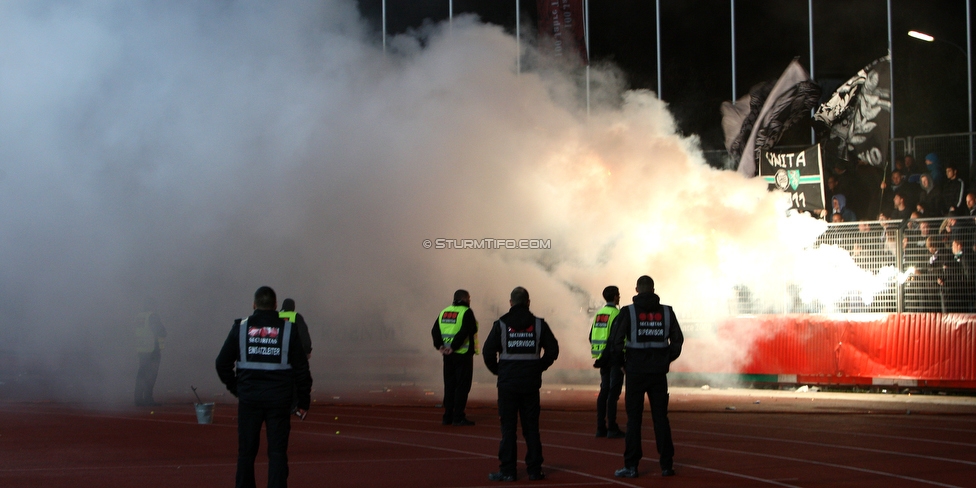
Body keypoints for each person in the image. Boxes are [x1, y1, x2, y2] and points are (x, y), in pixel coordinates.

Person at [216, 286, 312, 488]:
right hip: (279, 400)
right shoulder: (287, 330)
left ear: (254, 304)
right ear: (275, 306)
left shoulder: (241, 328)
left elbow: (222, 363)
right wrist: (303, 401)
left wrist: (237, 388)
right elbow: (302, 369)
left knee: (246, 453)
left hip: (250, 399)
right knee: (277, 452)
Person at [609, 275, 684, 479]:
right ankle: (667, 465)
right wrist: (666, 359)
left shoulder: (628, 312)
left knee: (634, 420)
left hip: (635, 373)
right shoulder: (667, 312)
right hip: (658, 373)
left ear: (636, 289)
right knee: (661, 418)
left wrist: (623, 364)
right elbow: (677, 340)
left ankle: (631, 466)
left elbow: (616, 342)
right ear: (653, 289)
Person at [483, 287, 559, 482]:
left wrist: (499, 371)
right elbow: (553, 350)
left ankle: (508, 471)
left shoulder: (500, 325)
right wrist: (539, 366)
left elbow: (487, 352)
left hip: (507, 384)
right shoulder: (539, 325)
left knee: (508, 429)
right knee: (531, 428)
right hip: (530, 384)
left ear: (510, 303)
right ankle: (535, 470)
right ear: (528, 302)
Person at [431, 289, 479, 426]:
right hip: (462, 355)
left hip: (447, 356)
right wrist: (454, 346)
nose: (470, 300)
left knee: (450, 385)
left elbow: (435, 330)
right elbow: (466, 330)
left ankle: (447, 416)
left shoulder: (444, 312)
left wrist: (440, 346)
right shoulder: (466, 312)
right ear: (465, 298)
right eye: (469, 298)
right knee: (462, 386)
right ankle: (458, 416)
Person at [589, 286, 625, 439]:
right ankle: (612, 427)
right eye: (618, 295)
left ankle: (600, 427)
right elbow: (617, 338)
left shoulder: (599, 314)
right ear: (616, 297)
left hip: (601, 358)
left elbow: (591, 336)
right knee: (612, 393)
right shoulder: (617, 314)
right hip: (614, 358)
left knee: (604, 391)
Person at [134, 300, 167, 406]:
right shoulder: (152, 316)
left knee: (141, 374)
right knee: (151, 375)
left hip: (142, 349)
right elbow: (161, 331)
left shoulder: (139, 316)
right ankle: (148, 398)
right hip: (152, 350)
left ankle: (138, 398)